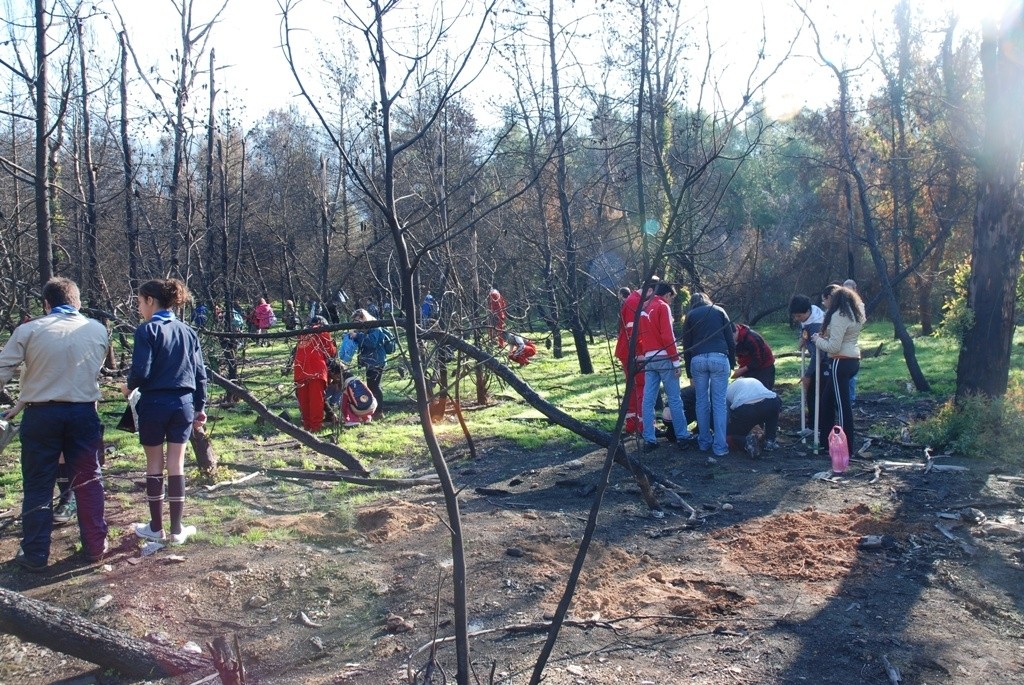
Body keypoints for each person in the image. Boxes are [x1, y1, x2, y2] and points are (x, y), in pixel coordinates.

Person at [0, 278, 109, 571]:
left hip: (42, 416)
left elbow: (3, 370)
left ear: (47, 305)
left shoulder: (30, 330)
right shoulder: (97, 329)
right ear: (78, 302)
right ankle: (95, 545)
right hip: (83, 414)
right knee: (89, 481)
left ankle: (35, 554)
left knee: (38, 484)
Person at [125, 279, 208, 546]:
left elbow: (142, 371)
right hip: (183, 404)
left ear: (151, 300)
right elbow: (200, 374)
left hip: (153, 404)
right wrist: (200, 407)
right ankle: (176, 530)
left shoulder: (146, 330)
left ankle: (155, 528)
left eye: (139, 302)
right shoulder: (188, 331)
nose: (139, 308)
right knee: (177, 464)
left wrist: (127, 388)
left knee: (154, 465)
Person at [682, 292, 736, 458]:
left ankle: (704, 442)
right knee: (719, 402)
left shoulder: (689, 316)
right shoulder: (719, 311)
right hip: (719, 357)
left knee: (701, 401)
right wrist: (732, 361)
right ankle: (720, 446)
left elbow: (687, 344)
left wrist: (688, 370)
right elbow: (730, 339)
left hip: (697, 359)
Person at [812, 285, 865, 450]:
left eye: (825, 299)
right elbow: (843, 336)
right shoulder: (855, 312)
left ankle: (847, 446)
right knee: (827, 400)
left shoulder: (838, 315)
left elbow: (834, 346)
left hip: (840, 361)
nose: (824, 302)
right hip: (852, 359)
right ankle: (825, 442)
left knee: (842, 406)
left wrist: (817, 340)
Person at [638, 283, 690, 452]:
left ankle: (649, 438)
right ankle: (682, 436)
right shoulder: (662, 307)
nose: (670, 301)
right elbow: (667, 336)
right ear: (666, 294)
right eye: (670, 297)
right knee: (674, 398)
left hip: (648, 358)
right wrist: (676, 361)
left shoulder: (643, 309)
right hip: (664, 357)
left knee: (648, 400)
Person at [614, 279, 659, 435]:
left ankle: (632, 424)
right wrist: (641, 354)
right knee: (641, 386)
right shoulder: (635, 303)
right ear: (649, 291)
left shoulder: (632, 300)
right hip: (632, 352)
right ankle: (645, 425)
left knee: (633, 388)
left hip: (627, 351)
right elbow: (634, 333)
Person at [293, 316, 337, 432]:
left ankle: (307, 426)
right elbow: (330, 352)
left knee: (304, 399)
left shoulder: (302, 333)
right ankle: (316, 426)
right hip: (316, 369)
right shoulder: (322, 331)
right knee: (316, 399)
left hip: (299, 368)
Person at [789, 294, 825, 436]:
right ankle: (812, 426)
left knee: (817, 394)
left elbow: (819, 355)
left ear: (807, 312)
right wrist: (802, 339)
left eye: (799, 316)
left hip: (823, 363)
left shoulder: (816, 325)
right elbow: (804, 333)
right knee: (811, 394)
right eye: (795, 316)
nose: (797, 319)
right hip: (816, 360)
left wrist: (808, 375)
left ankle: (819, 428)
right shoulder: (808, 319)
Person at [724, 377, 782, 457]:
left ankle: (746, 442)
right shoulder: (753, 380)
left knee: (732, 435)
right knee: (771, 414)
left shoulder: (728, 389)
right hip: (771, 401)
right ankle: (770, 441)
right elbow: (762, 408)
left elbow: (727, 413)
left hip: (746, 407)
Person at [351, 308, 388, 418]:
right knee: (371, 386)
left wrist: (357, 336)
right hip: (370, 361)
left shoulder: (374, 327)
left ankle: (379, 411)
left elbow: (371, 343)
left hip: (377, 361)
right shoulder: (365, 328)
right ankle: (374, 410)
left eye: (358, 321)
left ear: (363, 318)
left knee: (375, 386)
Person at [731, 323, 776, 390]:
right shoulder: (731, 340)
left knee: (763, 391)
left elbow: (758, 360)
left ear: (737, 330)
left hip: (764, 367)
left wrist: (741, 371)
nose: (730, 339)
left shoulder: (752, 338)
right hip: (747, 367)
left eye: (731, 336)